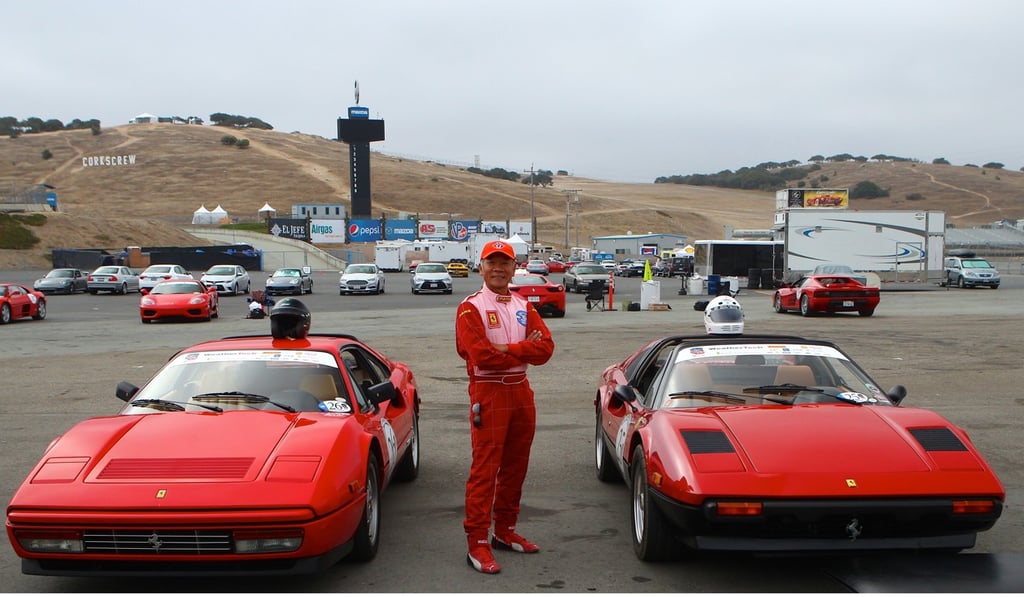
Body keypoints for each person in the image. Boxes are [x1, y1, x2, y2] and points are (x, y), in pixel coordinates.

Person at [455, 240, 555, 574]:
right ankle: (477, 541)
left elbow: (546, 349)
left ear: (515, 268)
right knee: (485, 468)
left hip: (521, 390)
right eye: (492, 262)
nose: (498, 269)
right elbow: (481, 356)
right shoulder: (470, 307)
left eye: (505, 263)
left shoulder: (524, 305)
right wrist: (524, 348)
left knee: (516, 465)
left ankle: (504, 530)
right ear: (481, 267)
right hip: (489, 391)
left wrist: (508, 347)